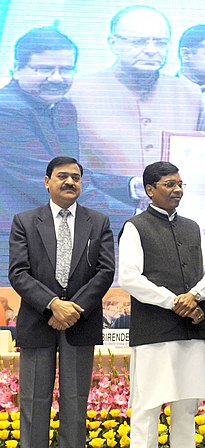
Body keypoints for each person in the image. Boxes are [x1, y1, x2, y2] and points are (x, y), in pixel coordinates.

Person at [0, 27, 133, 279]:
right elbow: (56, 182)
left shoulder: (62, 108)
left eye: (66, 69)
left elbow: (73, 174)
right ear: (16, 69)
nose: (57, 78)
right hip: (13, 244)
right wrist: (138, 220)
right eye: (44, 69)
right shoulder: (6, 111)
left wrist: (132, 187)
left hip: (56, 237)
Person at [8, 156, 115, 448]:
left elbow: (106, 272)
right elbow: (18, 272)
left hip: (80, 323)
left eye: (76, 177)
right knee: (33, 402)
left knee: (76, 403)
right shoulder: (25, 221)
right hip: (38, 320)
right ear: (47, 182)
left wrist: (72, 309)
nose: (70, 182)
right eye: (62, 176)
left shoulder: (99, 221)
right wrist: (54, 304)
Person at [69, 5, 205, 231]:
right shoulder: (77, 93)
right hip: (98, 229)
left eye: (160, 42)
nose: (151, 50)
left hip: (173, 229)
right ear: (113, 43)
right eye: (138, 42)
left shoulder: (190, 94)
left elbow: (198, 163)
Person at [118, 161, 205, 447]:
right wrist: (174, 302)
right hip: (154, 333)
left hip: (190, 331)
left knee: (187, 409)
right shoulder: (135, 226)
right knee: (147, 408)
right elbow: (128, 277)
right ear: (150, 190)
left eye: (179, 184)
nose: (177, 190)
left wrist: (194, 296)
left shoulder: (192, 227)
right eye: (169, 184)